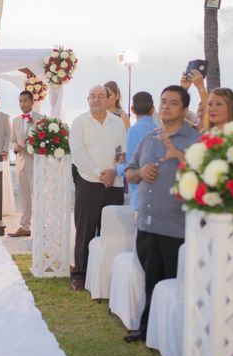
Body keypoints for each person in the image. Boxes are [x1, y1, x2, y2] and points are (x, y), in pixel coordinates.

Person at [123, 85, 200, 342]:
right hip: (147, 223)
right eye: (164, 101)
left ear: (185, 109)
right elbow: (130, 171)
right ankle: (147, 330)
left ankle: (173, 339)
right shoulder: (149, 138)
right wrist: (141, 172)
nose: (166, 106)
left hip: (176, 227)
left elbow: (205, 176)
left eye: (173, 103)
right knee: (150, 282)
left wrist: (179, 156)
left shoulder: (195, 141)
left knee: (174, 286)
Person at [69, 85, 126, 291]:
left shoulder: (118, 123)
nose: (97, 100)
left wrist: (113, 171)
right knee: (85, 231)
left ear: (108, 99)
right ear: (87, 99)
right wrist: (98, 172)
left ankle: (105, 275)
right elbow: (78, 152)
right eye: (93, 96)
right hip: (88, 182)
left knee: (110, 230)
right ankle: (79, 274)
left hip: (114, 183)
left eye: (101, 96)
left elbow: (122, 150)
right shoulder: (79, 122)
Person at [8, 91, 43, 237]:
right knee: (24, 197)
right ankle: (25, 227)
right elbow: (11, 140)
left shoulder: (40, 119)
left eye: (25, 101)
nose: (22, 104)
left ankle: (42, 227)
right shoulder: (16, 120)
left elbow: (43, 142)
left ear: (32, 102)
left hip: (35, 164)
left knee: (38, 196)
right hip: (21, 163)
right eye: (20, 101)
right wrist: (14, 147)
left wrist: (30, 149)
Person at [116, 91, 156, 211]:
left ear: (132, 109)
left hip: (140, 196)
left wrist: (119, 166)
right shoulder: (158, 129)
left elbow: (131, 167)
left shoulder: (133, 131)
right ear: (152, 109)